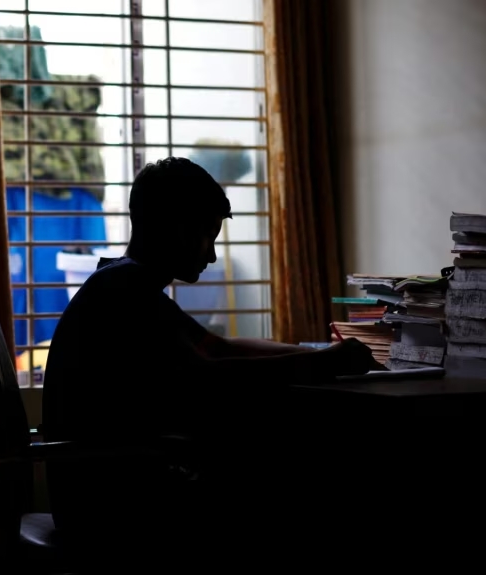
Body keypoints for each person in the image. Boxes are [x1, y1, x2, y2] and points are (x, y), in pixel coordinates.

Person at [40, 157, 380, 570]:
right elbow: (206, 375)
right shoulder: (125, 290)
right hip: (111, 504)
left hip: (106, 488)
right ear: (179, 228)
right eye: (208, 236)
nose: (214, 255)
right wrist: (322, 365)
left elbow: (216, 347)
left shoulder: (123, 281)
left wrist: (315, 354)